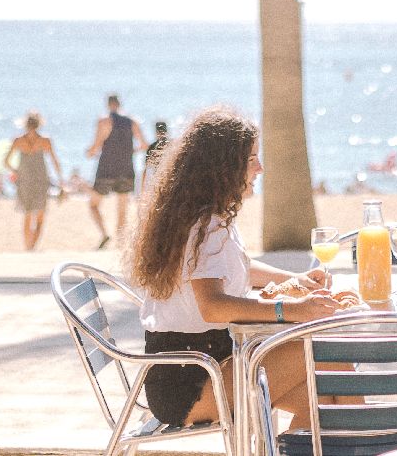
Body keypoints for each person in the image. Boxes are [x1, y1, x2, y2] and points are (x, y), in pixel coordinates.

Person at [130, 106, 341, 429]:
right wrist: (293, 309)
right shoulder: (206, 226)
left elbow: (238, 268)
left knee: (328, 401)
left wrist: (296, 280)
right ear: (224, 167)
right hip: (192, 380)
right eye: (251, 159)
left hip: (201, 368)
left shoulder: (208, 217)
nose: (260, 168)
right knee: (327, 350)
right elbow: (213, 306)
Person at [86, 93, 148, 248]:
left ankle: (105, 234)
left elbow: (96, 146)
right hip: (126, 169)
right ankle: (120, 245)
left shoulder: (104, 121)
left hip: (106, 170)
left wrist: (89, 153)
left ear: (108, 104)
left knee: (93, 205)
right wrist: (130, 151)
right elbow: (144, 145)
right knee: (122, 210)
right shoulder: (132, 122)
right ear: (119, 104)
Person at [3, 111, 64, 251]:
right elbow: (55, 162)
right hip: (41, 180)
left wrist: (16, 171)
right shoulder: (45, 141)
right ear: (39, 124)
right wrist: (61, 180)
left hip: (24, 180)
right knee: (40, 215)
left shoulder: (18, 141)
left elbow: (6, 161)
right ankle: (33, 247)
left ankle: (27, 247)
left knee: (28, 214)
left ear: (25, 124)